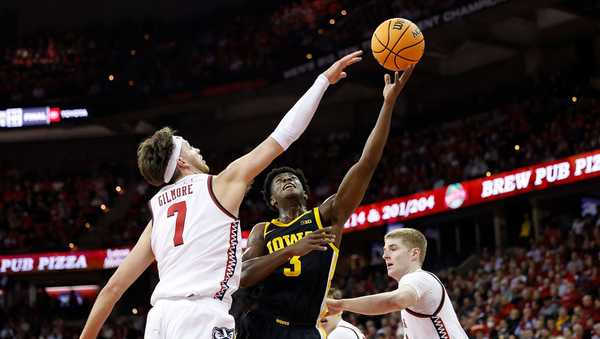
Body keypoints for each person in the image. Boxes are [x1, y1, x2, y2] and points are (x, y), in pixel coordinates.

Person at [79, 50, 363, 339]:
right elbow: (284, 135)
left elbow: (112, 289)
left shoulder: (158, 215)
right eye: (190, 147)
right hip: (201, 315)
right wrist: (322, 82)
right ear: (181, 161)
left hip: (159, 320)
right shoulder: (219, 185)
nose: (198, 150)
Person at [237, 67, 415, 339]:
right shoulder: (264, 230)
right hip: (262, 324)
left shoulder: (327, 216)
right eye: (280, 179)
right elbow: (244, 275)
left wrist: (388, 104)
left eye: (293, 178)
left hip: (304, 330)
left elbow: (366, 164)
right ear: (273, 199)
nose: (287, 180)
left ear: (305, 193)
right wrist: (289, 251)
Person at [327, 228, 469, 339]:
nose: (385, 255)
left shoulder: (417, 278)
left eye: (393, 249)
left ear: (414, 254)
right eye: (385, 250)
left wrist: (340, 305)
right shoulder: (415, 283)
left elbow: (397, 300)